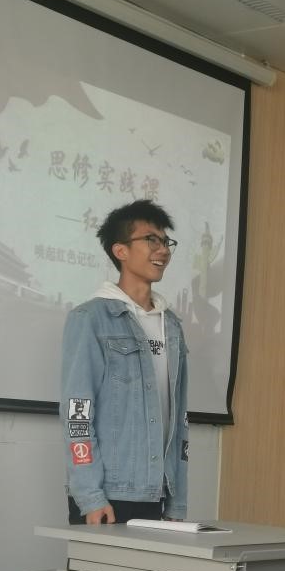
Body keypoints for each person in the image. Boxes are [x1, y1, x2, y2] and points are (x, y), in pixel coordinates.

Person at [60, 199, 189, 525]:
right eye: (151, 240)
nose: (163, 250)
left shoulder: (172, 326)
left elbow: (180, 421)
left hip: (158, 494)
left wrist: (177, 502)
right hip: (108, 496)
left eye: (166, 242)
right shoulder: (91, 318)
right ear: (121, 251)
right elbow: (77, 414)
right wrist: (90, 495)